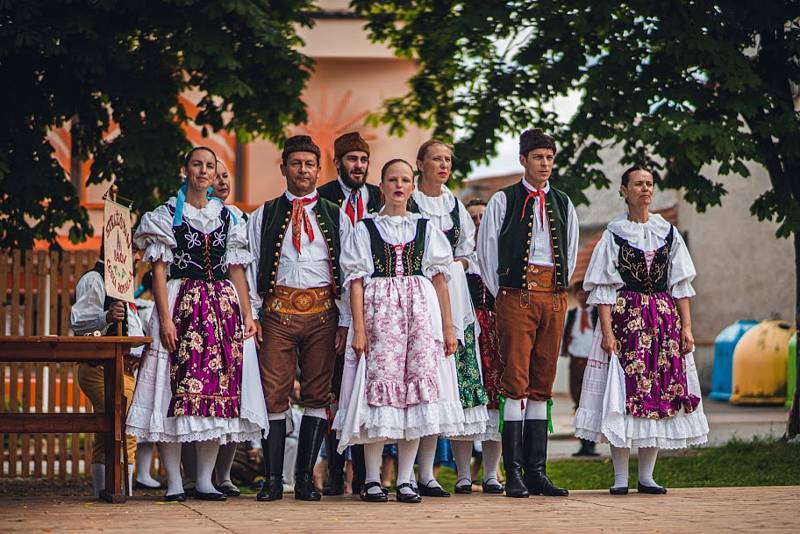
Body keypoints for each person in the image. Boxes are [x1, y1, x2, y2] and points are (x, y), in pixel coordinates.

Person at [126, 146, 269, 502]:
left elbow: (236, 269)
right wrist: (164, 318)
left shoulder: (229, 218)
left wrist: (248, 314)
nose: (204, 171)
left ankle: (204, 479)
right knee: (172, 392)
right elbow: (158, 269)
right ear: (185, 169)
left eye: (210, 166)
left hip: (221, 308)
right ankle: (174, 479)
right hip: (181, 304)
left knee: (215, 395)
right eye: (198, 165)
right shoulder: (166, 215)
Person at [575, 165, 708, 495]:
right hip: (626, 322)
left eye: (649, 184)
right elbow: (603, 291)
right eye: (638, 184)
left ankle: (646, 475)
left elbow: (681, 285)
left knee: (658, 393)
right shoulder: (613, 234)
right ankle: (620, 477)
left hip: (662, 322)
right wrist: (606, 333)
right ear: (624, 190)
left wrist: (687, 328)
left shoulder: (668, 232)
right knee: (622, 395)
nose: (645, 189)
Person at [336, 158, 459, 503]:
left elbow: (440, 280)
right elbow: (356, 282)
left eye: (405, 180)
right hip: (381, 318)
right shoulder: (365, 229)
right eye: (393, 180)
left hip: (420, 317)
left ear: (413, 186)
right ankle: (373, 479)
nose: (399, 186)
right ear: (382, 186)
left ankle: (406, 479)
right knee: (380, 393)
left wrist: (447, 327)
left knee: (416, 397)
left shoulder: (426, 228)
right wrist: (358, 329)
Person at [246, 134, 352, 502]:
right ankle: (273, 479)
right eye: (296, 163)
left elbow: (351, 270)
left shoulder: (335, 214)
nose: (303, 170)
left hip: (324, 315)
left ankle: (304, 479)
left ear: (318, 169)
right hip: (276, 314)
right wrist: (252, 312)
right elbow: (250, 266)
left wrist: (346, 321)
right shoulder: (265, 213)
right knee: (273, 395)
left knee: (317, 395)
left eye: (309, 164)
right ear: (284, 168)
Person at [477, 128, 578, 498]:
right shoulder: (504, 200)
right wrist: (505, 294)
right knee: (515, 383)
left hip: (552, 296)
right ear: (523, 160)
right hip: (515, 295)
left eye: (550, 158)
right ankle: (514, 472)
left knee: (542, 385)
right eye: (538, 157)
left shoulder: (564, 203)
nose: (545, 164)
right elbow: (486, 252)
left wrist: (556, 289)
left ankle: (537, 471)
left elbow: (569, 246)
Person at [410, 140, 489, 497]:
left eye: (447, 160)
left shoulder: (455, 205)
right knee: (424, 384)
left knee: (458, 383)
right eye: (436, 159)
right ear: (420, 164)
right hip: (414, 300)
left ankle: (460, 473)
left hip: (453, 301)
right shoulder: (408, 202)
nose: (443, 165)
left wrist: (455, 266)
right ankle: (420, 472)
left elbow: (469, 251)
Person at [316, 131, 380, 495]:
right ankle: (336, 471)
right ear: (338, 162)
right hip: (332, 301)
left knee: (365, 389)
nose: (358, 165)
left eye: (363, 159)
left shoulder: (378, 197)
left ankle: (364, 474)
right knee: (335, 390)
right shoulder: (324, 197)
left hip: (374, 304)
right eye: (352, 159)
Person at [72, 252, 145, 497]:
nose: (138, 257)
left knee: (126, 429)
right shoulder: (95, 279)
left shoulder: (122, 284)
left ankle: (121, 490)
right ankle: (110, 489)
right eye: (134, 250)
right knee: (116, 425)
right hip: (100, 368)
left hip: (125, 367)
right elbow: (78, 322)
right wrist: (106, 316)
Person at [464, 198, 504, 493]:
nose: (479, 222)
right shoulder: (461, 258)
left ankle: (491, 473)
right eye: (473, 218)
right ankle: (464, 475)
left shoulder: (500, 256)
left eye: (483, 217)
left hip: (496, 331)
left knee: (495, 403)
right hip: (468, 330)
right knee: (467, 400)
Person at [131, 270, 163, 490]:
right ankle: (141, 473)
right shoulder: (150, 308)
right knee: (147, 415)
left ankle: (141, 473)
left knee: (142, 417)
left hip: (136, 365)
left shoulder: (134, 304)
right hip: (146, 365)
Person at [561, 281, 599, 457]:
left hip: (592, 363)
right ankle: (582, 443)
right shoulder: (573, 314)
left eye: (585, 293)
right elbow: (567, 334)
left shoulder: (597, 315)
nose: (583, 297)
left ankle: (592, 444)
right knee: (578, 404)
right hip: (575, 363)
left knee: (591, 403)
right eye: (579, 293)